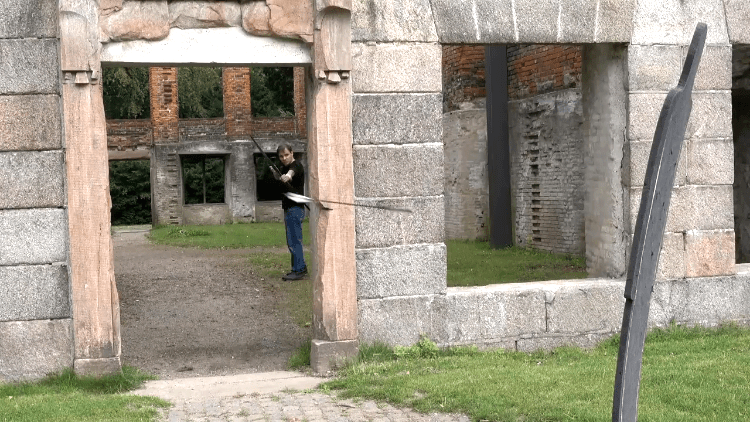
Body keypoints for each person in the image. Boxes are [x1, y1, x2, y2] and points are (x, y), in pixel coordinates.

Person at [275, 143, 307, 281]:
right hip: (288, 208)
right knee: (291, 241)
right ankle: (298, 268)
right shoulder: (283, 168)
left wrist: (287, 176)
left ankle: (299, 270)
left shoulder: (297, 165)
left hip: (295, 209)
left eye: (286, 155)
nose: (284, 158)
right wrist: (277, 176)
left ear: (292, 153)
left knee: (295, 241)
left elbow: (292, 172)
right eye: (281, 156)